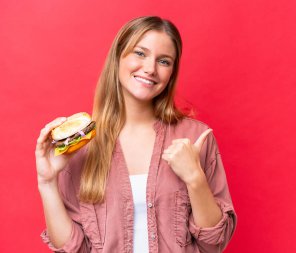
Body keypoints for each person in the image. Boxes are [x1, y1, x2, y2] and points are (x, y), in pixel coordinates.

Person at [36, 16, 236, 253]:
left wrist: (195, 178)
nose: (150, 68)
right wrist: (47, 182)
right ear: (118, 57)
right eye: (140, 53)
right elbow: (73, 249)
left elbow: (214, 243)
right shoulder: (83, 146)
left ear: (172, 72)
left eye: (164, 61)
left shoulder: (195, 138)